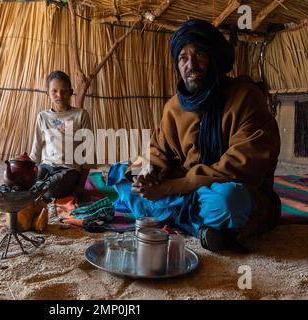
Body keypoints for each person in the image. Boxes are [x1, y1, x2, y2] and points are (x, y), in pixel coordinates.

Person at [107, 19, 281, 252]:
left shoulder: (245, 98)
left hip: (225, 190)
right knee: (123, 176)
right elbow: (158, 149)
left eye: (200, 54)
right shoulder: (174, 107)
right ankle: (204, 228)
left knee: (228, 200)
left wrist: (172, 187)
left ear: (214, 59)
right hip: (185, 190)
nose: (191, 64)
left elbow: (242, 165)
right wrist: (146, 175)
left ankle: (185, 218)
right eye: (183, 58)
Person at [30, 70, 92, 201]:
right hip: (47, 165)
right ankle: (43, 189)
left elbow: (89, 151)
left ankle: (44, 190)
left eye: (64, 91)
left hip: (69, 170)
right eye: (54, 91)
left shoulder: (80, 115)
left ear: (71, 92)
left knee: (55, 184)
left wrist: (81, 185)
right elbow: (37, 146)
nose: (59, 95)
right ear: (47, 93)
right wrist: (30, 169)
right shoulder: (43, 117)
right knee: (37, 176)